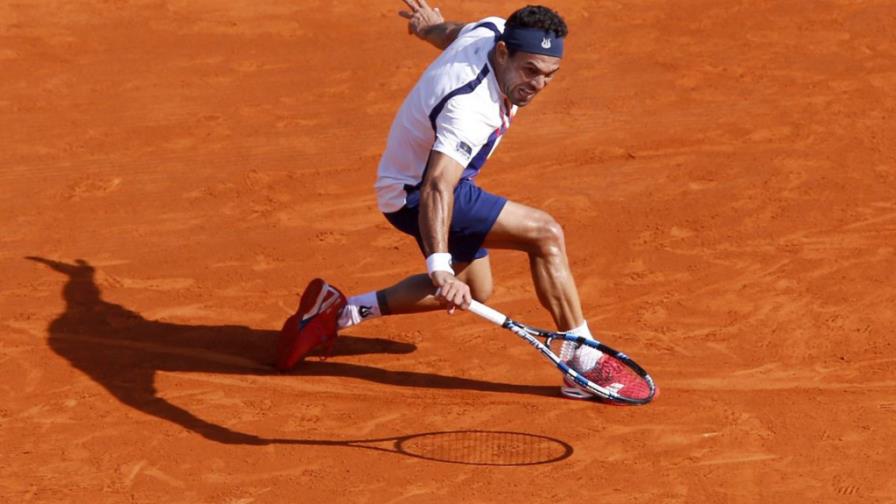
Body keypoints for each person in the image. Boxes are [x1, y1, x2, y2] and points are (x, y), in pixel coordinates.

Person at [277, 1, 624, 399]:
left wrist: (429, 28)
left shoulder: (493, 30)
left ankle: (338, 312)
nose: (538, 85)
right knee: (544, 234)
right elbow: (437, 186)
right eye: (530, 71)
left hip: (422, 182)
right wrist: (439, 267)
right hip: (416, 194)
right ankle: (583, 361)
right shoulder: (469, 108)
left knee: (475, 289)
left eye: (550, 75)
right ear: (503, 53)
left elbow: (456, 33)